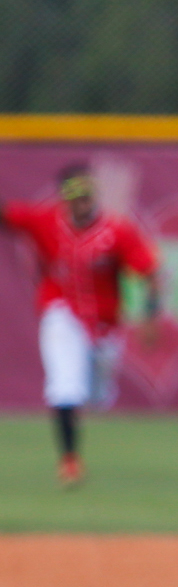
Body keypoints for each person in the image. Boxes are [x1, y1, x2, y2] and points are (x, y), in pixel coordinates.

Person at [3, 163, 160, 487]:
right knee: (63, 384)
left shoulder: (117, 231)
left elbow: (149, 271)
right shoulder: (45, 221)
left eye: (87, 196)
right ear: (64, 199)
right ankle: (70, 461)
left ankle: (79, 420)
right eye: (75, 198)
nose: (82, 203)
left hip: (104, 326)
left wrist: (150, 315)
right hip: (61, 311)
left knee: (98, 397)